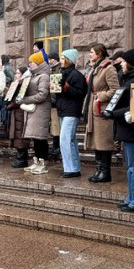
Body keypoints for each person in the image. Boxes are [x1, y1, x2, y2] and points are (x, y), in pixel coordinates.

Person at [105, 49, 134, 210]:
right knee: (132, 166)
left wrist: (113, 113)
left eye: (124, 62)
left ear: (130, 64)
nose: (122, 64)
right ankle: (133, 197)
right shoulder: (133, 78)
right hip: (128, 129)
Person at [83, 44, 120, 183]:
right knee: (97, 143)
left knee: (103, 143)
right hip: (95, 109)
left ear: (99, 54)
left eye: (91, 52)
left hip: (102, 110)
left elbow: (115, 89)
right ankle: (99, 170)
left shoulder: (108, 68)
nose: (89, 54)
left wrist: (100, 96)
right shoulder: (96, 68)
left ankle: (105, 172)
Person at [18, 52, 51, 175]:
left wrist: (25, 100)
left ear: (37, 62)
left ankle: (42, 163)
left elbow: (42, 95)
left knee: (40, 138)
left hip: (40, 111)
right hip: (33, 111)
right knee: (35, 138)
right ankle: (36, 161)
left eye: (31, 62)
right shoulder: (33, 75)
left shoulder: (44, 76)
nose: (29, 64)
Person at [56, 49, 87, 178]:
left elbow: (80, 94)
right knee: (71, 140)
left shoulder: (76, 75)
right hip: (63, 109)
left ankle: (69, 168)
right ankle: (74, 167)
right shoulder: (61, 73)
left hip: (72, 110)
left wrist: (67, 87)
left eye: (63, 58)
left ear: (69, 60)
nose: (61, 61)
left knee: (65, 139)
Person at [7, 67, 31, 168]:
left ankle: (22, 159)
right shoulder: (17, 83)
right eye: (15, 73)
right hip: (16, 112)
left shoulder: (23, 84)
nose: (16, 75)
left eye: (18, 73)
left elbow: (19, 99)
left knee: (20, 134)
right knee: (17, 134)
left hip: (20, 112)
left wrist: (10, 105)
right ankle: (20, 157)